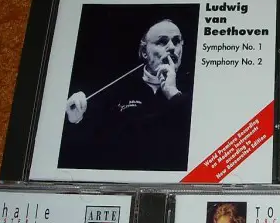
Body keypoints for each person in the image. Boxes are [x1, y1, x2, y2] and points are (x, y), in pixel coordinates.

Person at [60, 19, 193, 171]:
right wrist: (75, 119)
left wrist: (172, 92)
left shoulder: (193, 86)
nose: (172, 47)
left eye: (176, 41)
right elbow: (90, 144)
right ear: (144, 52)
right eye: (162, 42)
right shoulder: (118, 90)